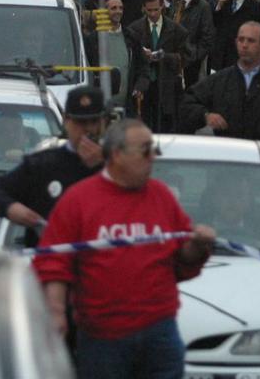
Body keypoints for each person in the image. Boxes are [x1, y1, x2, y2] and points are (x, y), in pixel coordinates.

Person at [33, 119, 216, 379]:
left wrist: (198, 245)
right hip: (103, 337)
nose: (152, 157)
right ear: (117, 154)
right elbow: (53, 262)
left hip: (159, 331)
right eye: (145, 150)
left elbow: (182, 257)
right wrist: (56, 311)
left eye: (154, 150)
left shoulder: (161, 196)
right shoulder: (79, 200)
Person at [0, 86, 108, 245]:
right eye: (81, 122)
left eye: (94, 121)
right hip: (51, 259)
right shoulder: (44, 164)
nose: (89, 129)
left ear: (104, 123)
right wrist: (13, 209)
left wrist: (103, 165)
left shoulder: (117, 163)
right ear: (67, 121)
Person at [181, 21, 260, 162]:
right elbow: (187, 102)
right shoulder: (220, 81)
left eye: (251, 41)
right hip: (224, 163)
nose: (244, 45)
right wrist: (205, 115)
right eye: (241, 40)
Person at [125, 0, 188, 133]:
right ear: (144, 8)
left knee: (166, 126)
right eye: (149, 10)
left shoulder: (177, 30)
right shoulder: (134, 29)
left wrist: (163, 57)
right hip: (144, 85)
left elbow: (185, 57)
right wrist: (142, 55)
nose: (153, 14)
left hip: (166, 84)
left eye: (156, 10)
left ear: (162, 7)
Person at [209, 0, 260, 71]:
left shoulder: (255, 7)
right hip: (221, 57)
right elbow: (215, 23)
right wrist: (218, 6)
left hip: (241, 56)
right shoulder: (225, 4)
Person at [170, 0, 214, 89]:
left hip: (191, 60)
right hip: (174, 57)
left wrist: (195, 55)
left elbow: (207, 35)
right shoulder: (176, 3)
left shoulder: (202, 6)